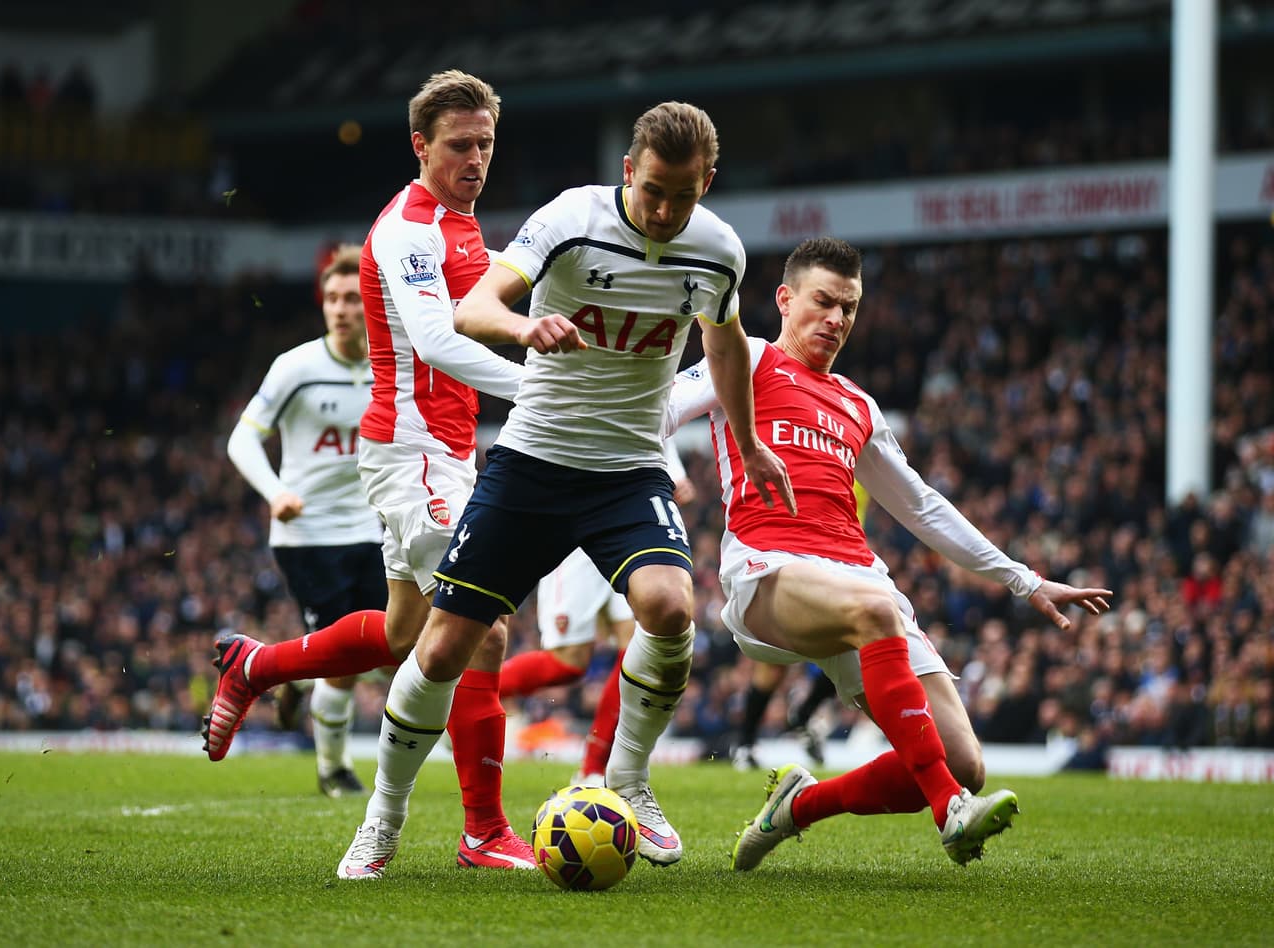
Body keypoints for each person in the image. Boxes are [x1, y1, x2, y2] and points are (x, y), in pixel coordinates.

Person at [335, 100, 794, 879]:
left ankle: (628, 780)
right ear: (628, 170)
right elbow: (474, 307)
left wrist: (749, 444)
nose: (663, 210)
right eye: (651, 191)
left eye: (682, 196)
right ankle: (383, 819)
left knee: (671, 607)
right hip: (534, 462)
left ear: (706, 184)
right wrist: (525, 330)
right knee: (444, 647)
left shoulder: (718, 251)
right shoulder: (571, 219)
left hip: (628, 469)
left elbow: (725, 345)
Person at [662, 237, 1112, 869]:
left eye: (849, 307)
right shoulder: (747, 357)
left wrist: (1024, 580)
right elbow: (656, 409)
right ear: (785, 300)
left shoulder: (857, 403)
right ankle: (949, 812)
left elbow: (922, 506)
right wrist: (669, 474)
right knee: (878, 616)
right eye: (823, 302)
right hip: (767, 571)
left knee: (966, 763)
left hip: (856, 578)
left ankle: (796, 808)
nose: (837, 320)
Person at [204, 70, 541, 871]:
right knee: (483, 631)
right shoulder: (406, 230)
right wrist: (543, 377)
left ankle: (258, 664)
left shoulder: (458, 224)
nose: (476, 158)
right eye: (460, 145)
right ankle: (477, 830)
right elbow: (436, 342)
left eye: (486, 143)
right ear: (420, 145)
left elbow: (491, 273)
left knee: (398, 633)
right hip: (414, 457)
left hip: (437, 453)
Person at [224, 243, 382, 798]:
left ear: (371, 303)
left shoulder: (391, 368)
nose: (340, 309)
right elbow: (242, 438)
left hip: (375, 531)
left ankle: (290, 675)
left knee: (389, 647)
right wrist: (275, 492)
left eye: (352, 298)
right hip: (309, 535)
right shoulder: (296, 368)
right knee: (343, 658)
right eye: (332, 299)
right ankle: (333, 770)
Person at [500, 446, 697, 784]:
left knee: (638, 648)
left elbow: (655, 412)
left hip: (630, 521)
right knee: (567, 663)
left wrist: (674, 472)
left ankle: (593, 767)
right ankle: (466, 693)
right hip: (576, 526)